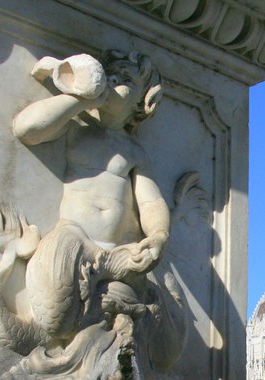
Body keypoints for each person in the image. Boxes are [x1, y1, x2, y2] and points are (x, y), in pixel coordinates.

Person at [10, 50, 172, 349]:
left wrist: (158, 236)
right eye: (108, 75)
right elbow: (27, 129)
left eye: (125, 80)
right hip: (74, 237)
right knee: (57, 317)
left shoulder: (134, 152)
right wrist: (82, 96)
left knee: (144, 328)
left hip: (118, 250)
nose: (112, 82)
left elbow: (151, 202)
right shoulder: (76, 130)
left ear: (143, 103)